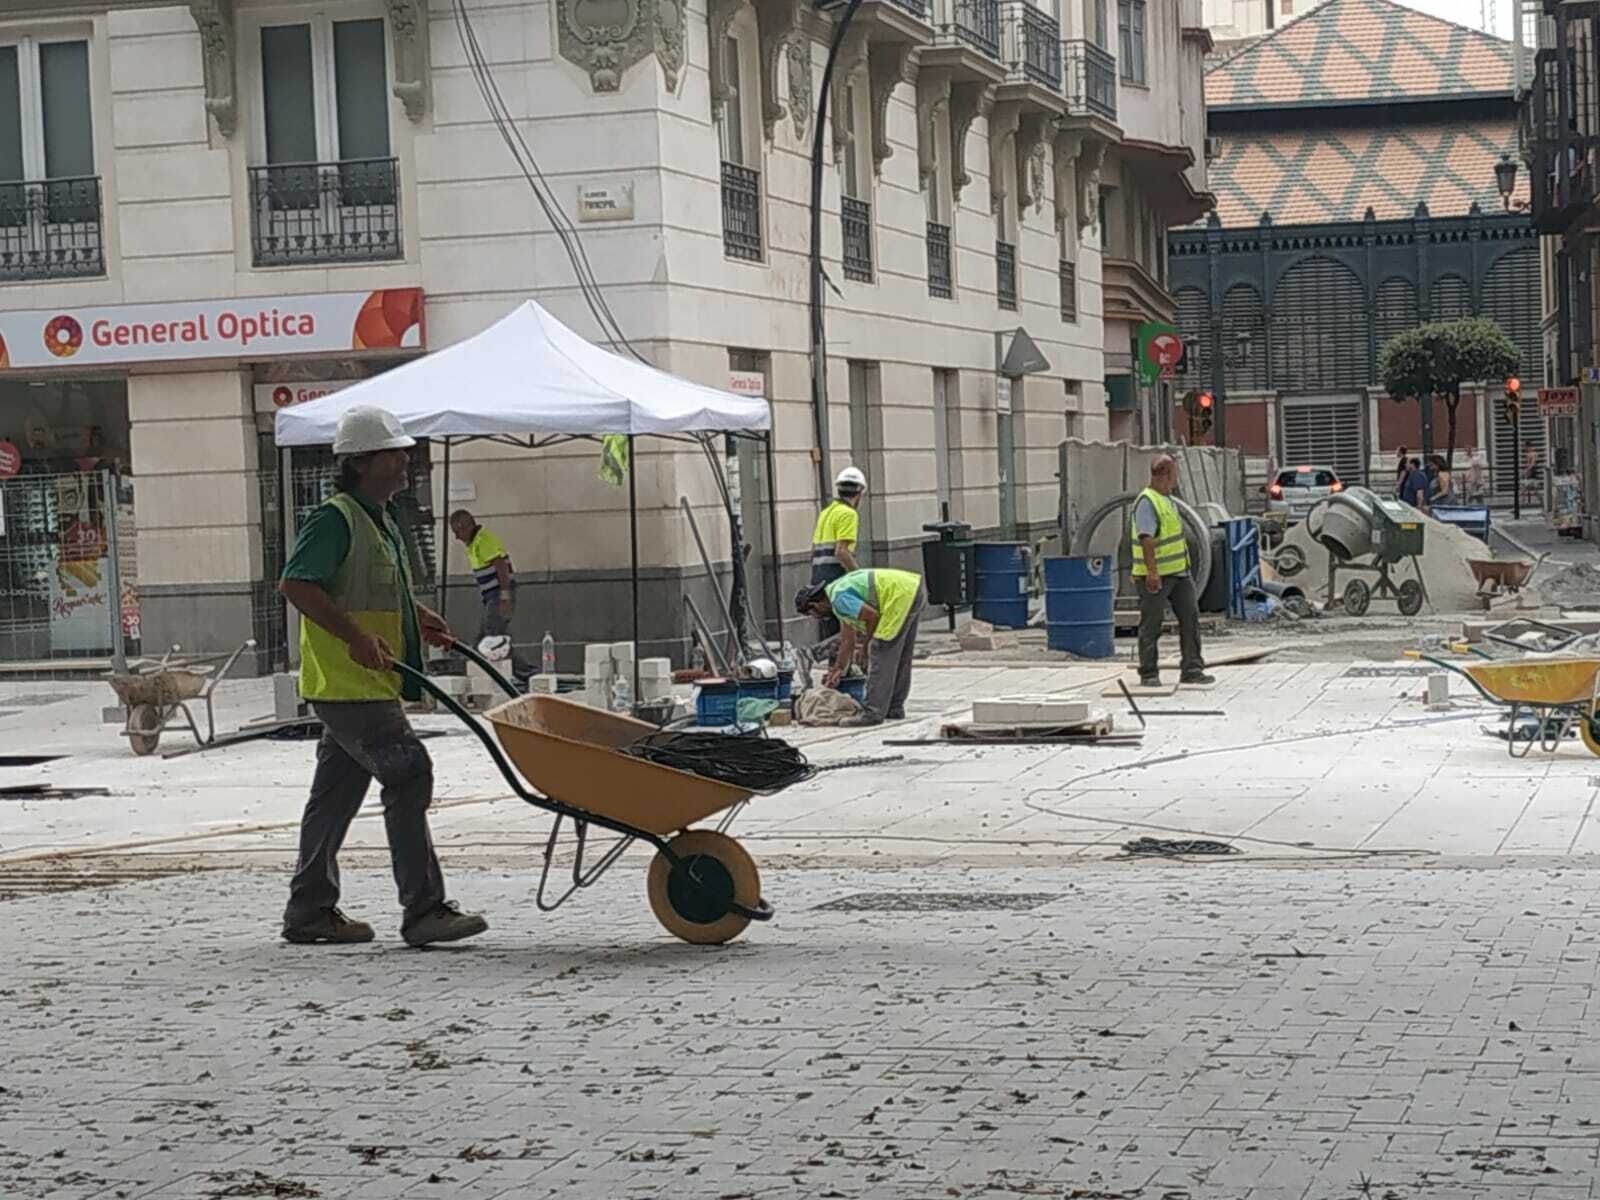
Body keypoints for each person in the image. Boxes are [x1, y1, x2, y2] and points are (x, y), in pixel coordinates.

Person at [278, 405, 488, 948]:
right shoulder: (335, 518)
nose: (405, 462)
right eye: (394, 454)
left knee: (335, 794)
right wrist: (354, 637)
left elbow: (367, 588)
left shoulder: (379, 519)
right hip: (351, 683)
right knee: (409, 771)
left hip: (359, 682)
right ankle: (423, 909)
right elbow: (298, 585)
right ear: (363, 461)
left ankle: (309, 909)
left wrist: (416, 616)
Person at [795, 566, 925, 727]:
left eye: (812, 614)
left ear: (816, 604)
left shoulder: (839, 598)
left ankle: (872, 712)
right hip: (911, 589)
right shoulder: (837, 595)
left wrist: (865, 647)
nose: (816, 618)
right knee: (900, 654)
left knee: (880, 650)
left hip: (900, 595)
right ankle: (894, 707)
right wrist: (838, 669)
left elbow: (872, 616)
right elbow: (847, 640)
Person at [1131, 456, 1214, 689]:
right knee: (1152, 624)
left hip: (1179, 573)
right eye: (1174, 475)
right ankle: (1148, 673)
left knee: (1190, 618)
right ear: (1165, 474)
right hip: (1156, 576)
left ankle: (1192, 668)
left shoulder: (1168, 500)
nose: (1175, 480)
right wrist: (1152, 572)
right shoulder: (1147, 502)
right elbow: (1146, 539)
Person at [449, 509, 532, 682]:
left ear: (468, 526)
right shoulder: (474, 544)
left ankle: (526, 673)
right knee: (486, 637)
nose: (457, 537)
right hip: (491, 596)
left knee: (493, 637)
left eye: (458, 532)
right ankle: (487, 674)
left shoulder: (483, 540)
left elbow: (501, 567)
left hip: (498, 594)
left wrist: (504, 596)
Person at [809, 467, 867, 639]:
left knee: (830, 631)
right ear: (860, 493)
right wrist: (859, 576)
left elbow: (813, 551)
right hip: (837, 580)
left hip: (818, 580)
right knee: (845, 632)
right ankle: (840, 665)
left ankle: (833, 665)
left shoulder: (826, 513)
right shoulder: (849, 514)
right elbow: (841, 552)